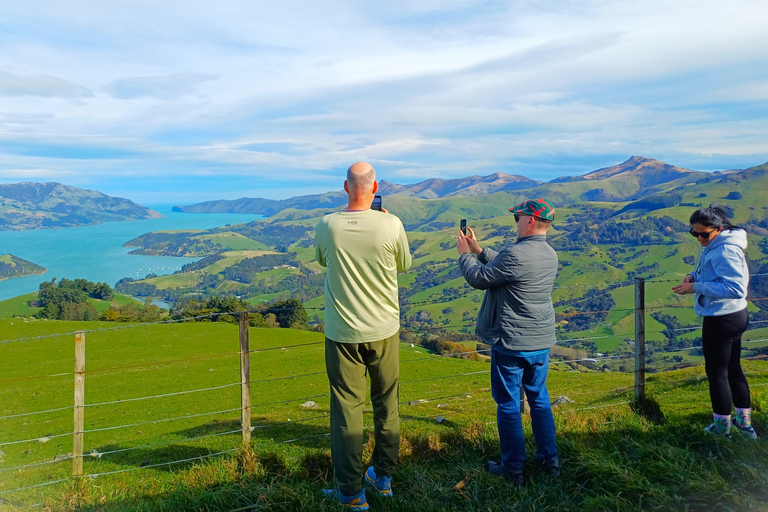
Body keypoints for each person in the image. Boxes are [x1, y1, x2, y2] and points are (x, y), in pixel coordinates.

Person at [315, 162, 412, 510]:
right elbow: (405, 264)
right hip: (384, 329)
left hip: (342, 332)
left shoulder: (327, 225)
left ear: (345, 187)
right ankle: (382, 477)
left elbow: (323, 260)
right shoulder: (391, 223)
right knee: (387, 403)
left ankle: (351, 492)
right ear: (374, 189)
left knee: (346, 409)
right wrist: (384, 220)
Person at [457, 198, 560, 485]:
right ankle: (550, 462)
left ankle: (513, 468)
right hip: (540, 341)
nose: (516, 222)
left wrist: (465, 254)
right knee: (539, 400)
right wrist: (479, 249)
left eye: (518, 218)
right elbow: (506, 266)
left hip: (513, 341)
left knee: (508, 404)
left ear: (529, 220)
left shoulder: (516, 254)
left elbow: (479, 279)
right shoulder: (549, 254)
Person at [673, 204, 756, 439]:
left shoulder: (724, 250)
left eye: (703, 233)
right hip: (735, 315)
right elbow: (713, 275)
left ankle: (722, 430)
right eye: (694, 233)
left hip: (722, 318)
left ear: (719, 229)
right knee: (733, 369)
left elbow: (735, 288)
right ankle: (745, 426)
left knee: (717, 373)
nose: (699, 238)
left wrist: (695, 287)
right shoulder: (716, 244)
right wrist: (694, 276)